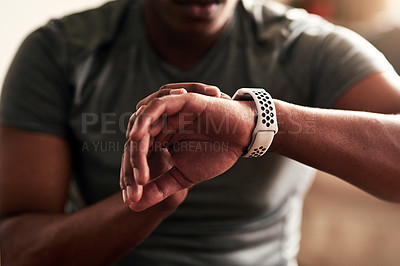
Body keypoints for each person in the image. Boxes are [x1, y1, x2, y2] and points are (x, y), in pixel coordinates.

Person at [0, 0, 399, 265]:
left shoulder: (308, 47)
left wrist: (255, 122)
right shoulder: (58, 50)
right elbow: (15, 246)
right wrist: (150, 200)